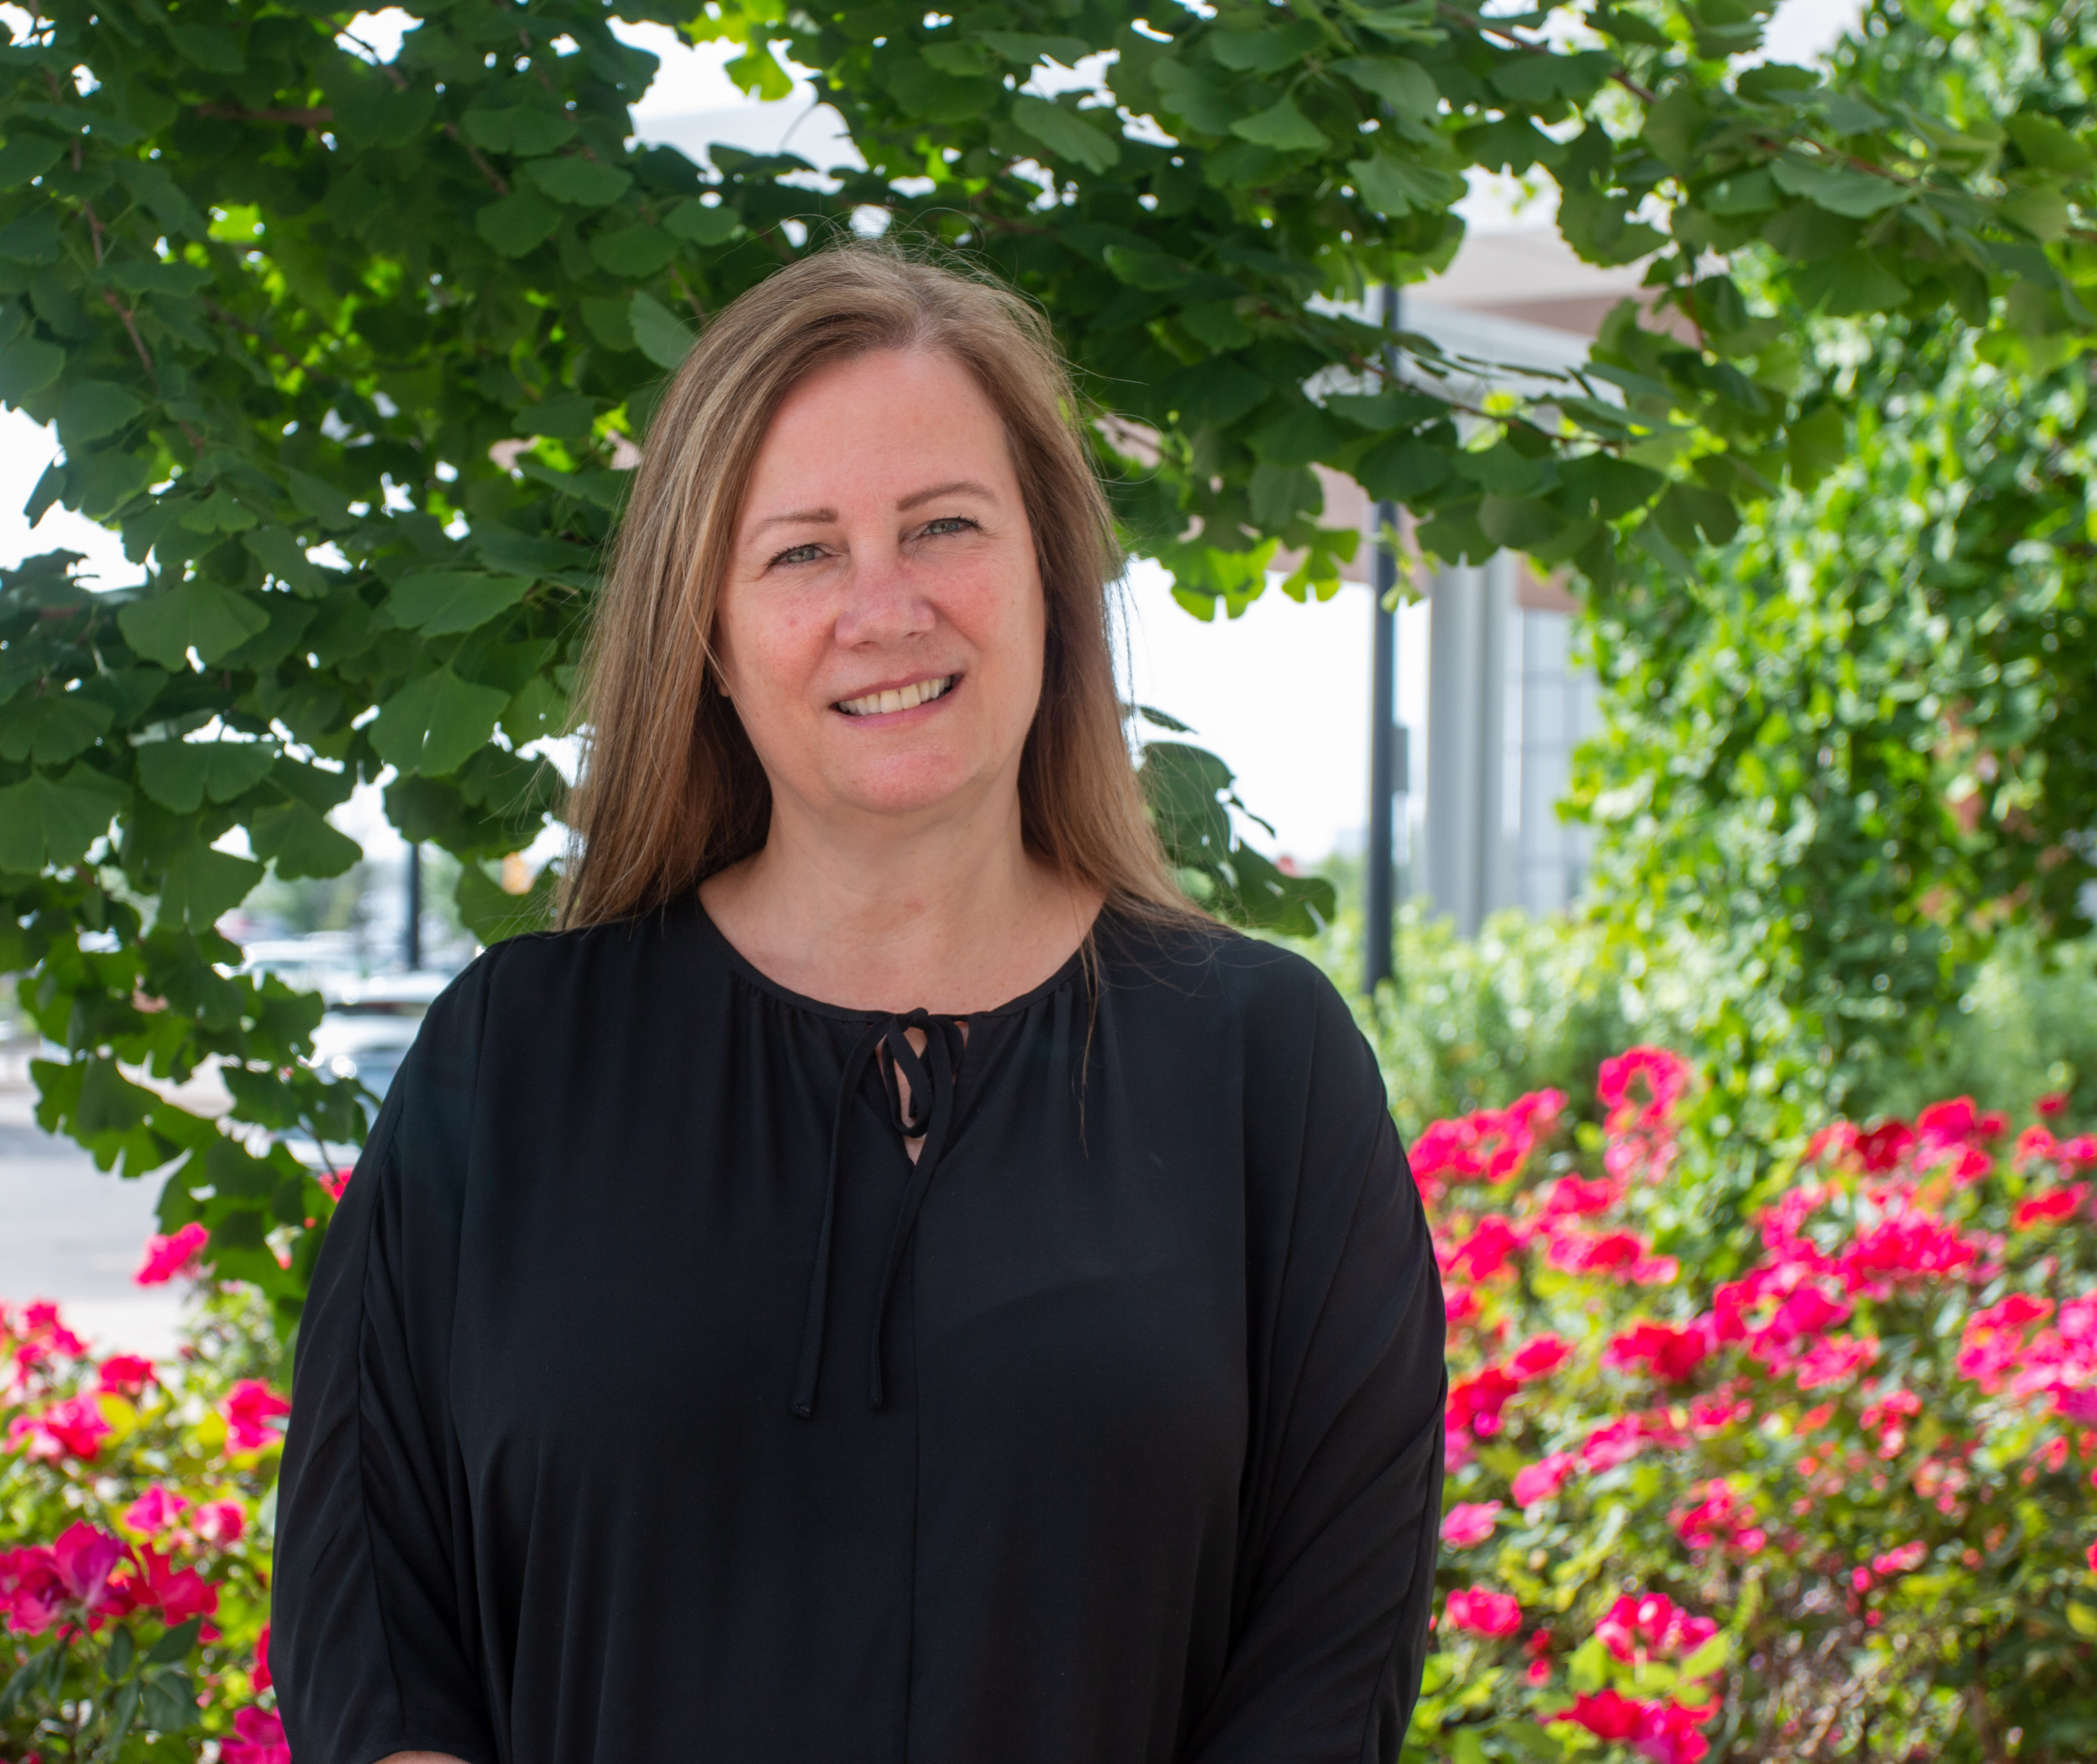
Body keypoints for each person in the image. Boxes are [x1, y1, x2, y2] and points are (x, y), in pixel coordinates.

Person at [271, 240, 1445, 1764]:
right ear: (708, 633)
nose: (884, 609)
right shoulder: (515, 1065)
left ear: (1055, 577)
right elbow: (376, 1636)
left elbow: (1328, 1669)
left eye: (944, 526)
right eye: (804, 551)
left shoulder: (1263, 1072)